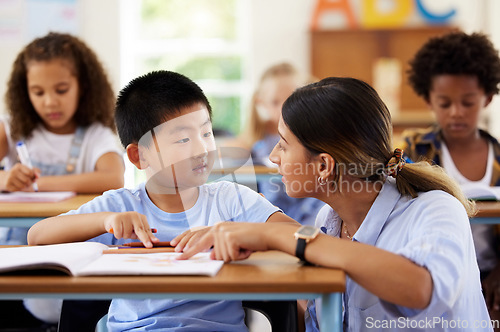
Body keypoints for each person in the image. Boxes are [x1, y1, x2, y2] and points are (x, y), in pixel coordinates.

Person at [179, 77, 493, 331]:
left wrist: (277, 236)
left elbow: (422, 290)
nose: (273, 156)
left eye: (284, 145)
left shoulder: (435, 210)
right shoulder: (328, 220)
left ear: (324, 166)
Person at [28, 70, 296, 331]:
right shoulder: (121, 206)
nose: (202, 149)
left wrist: (238, 233)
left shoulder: (230, 199)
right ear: (139, 156)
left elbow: (301, 236)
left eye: (206, 133)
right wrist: (105, 221)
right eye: (182, 139)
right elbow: (37, 236)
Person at [0, 32, 125, 330]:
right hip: (12, 254)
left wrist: (39, 184)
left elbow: (113, 177)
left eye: (61, 89)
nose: (50, 101)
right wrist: (5, 177)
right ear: (24, 91)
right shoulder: (10, 128)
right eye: (38, 92)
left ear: (83, 87)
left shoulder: (96, 135)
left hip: (71, 255)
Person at [397, 30, 500, 323]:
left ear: (488, 98)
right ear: (429, 100)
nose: (456, 112)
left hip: (492, 276)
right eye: (444, 103)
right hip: (432, 271)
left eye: (468, 103)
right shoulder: (413, 151)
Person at [232, 62, 324, 225]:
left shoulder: (316, 135)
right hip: (274, 216)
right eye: (275, 102)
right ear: (261, 103)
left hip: (313, 214)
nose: (284, 109)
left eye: (291, 100)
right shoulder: (254, 140)